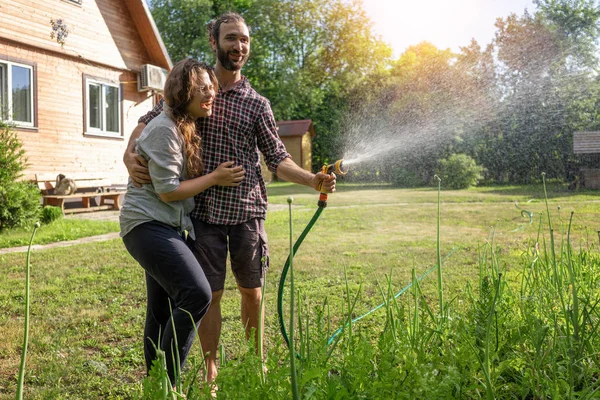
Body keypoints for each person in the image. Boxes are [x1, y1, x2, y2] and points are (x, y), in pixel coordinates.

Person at [123, 12, 336, 383]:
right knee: (212, 296)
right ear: (215, 42)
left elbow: (277, 158)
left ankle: (256, 363)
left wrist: (311, 180)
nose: (238, 46)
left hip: (247, 212)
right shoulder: (198, 88)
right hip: (202, 214)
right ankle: (210, 371)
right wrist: (129, 154)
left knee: (252, 293)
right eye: (231, 38)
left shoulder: (257, 103)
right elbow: (148, 121)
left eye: (244, 40)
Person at [119, 58, 245, 384]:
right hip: (147, 225)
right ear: (183, 91)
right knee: (197, 294)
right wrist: (216, 177)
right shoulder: (165, 129)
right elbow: (168, 192)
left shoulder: (183, 122)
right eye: (203, 88)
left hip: (166, 225)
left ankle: (155, 385)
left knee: (160, 311)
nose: (210, 94)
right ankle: (168, 385)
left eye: (212, 88)